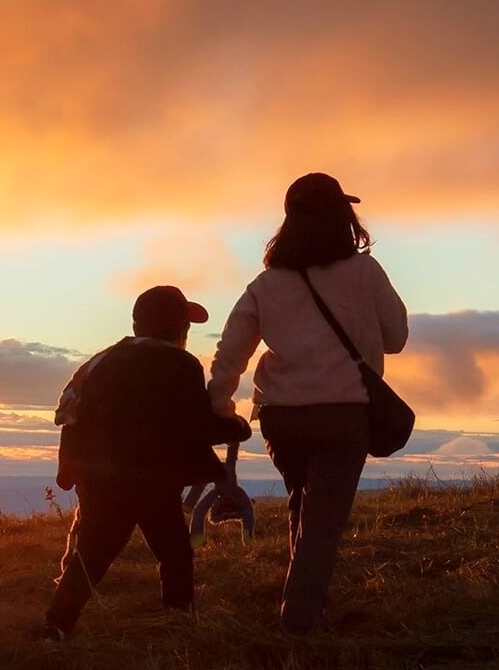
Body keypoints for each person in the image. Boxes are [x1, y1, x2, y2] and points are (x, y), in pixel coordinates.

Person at [209, 173, 408, 635]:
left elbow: (231, 350)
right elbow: (396, 338)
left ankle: (306, 608)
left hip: (281, 418)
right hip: (343, 413)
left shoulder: (266, 283)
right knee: (323, 523)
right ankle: (297, 625)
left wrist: (219, 405)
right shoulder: (365, 272)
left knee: (303, 506)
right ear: (345, 217)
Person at [44, 285, 253, 640]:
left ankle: (57, 626)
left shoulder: (100, 362)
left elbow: (70, 417)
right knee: (175, 555)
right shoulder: (182, 365)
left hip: (98, 479)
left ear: (137, 323)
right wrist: (237, 427)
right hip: (153, 481)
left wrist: (70, 472)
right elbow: (196, 426)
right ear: (179, 330)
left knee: (91, 555)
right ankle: (178, 623)